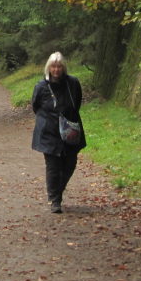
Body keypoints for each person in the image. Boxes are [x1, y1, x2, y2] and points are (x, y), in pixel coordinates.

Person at [30, 51, 85, 213]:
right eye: (53, 66)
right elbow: (36, 106)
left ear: (63, 67)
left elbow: (77, 102)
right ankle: (55, 200)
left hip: (70, 130)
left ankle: (57, 191)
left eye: (59, 66)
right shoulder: (41, 87)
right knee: (53, 166)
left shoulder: (73, 83)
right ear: (49, 67)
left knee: (70, 164)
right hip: (49, 131)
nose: (56, 70)